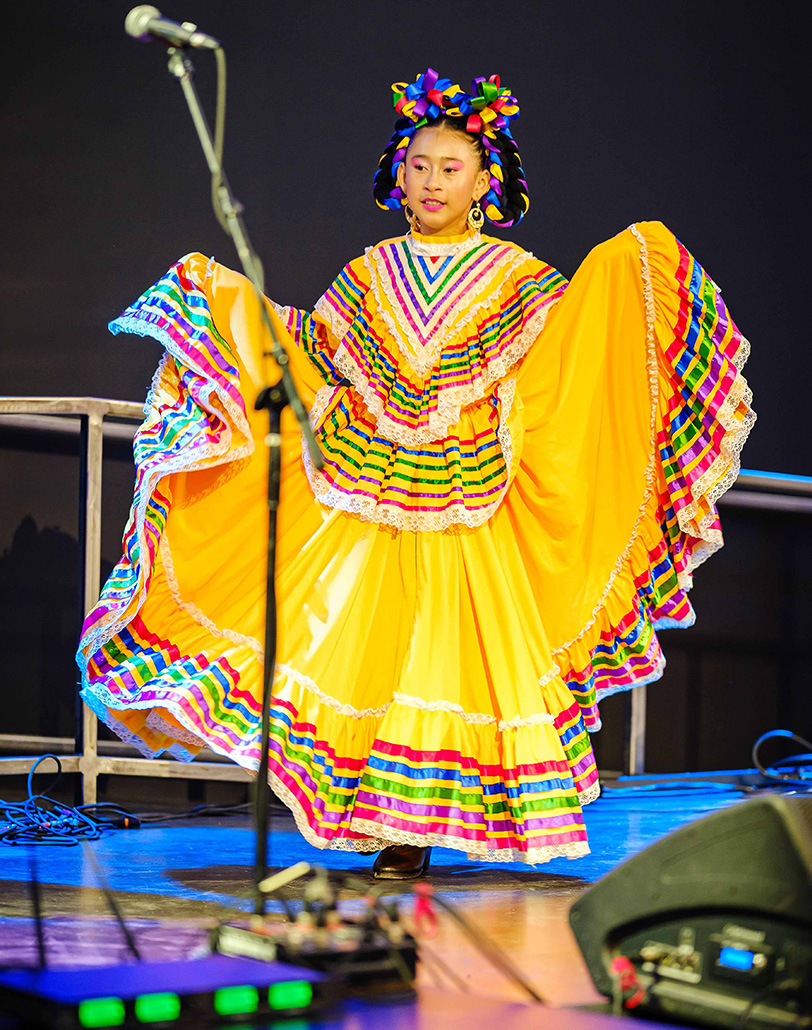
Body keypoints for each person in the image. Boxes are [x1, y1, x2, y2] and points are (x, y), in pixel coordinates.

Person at [77, 69, 754, 878]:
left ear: (483, 183)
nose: (432, 181)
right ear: (398, 175)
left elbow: (560, 361)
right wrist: (233, 319)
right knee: (365, 645)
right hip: (369, 491)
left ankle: (429, 820)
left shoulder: (515, 277)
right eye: (420, 164)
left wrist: (623, 279)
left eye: (451, 168)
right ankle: (393, 826)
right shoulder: (368, 273)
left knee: (453, 649)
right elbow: (319, 356)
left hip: (472, 497)